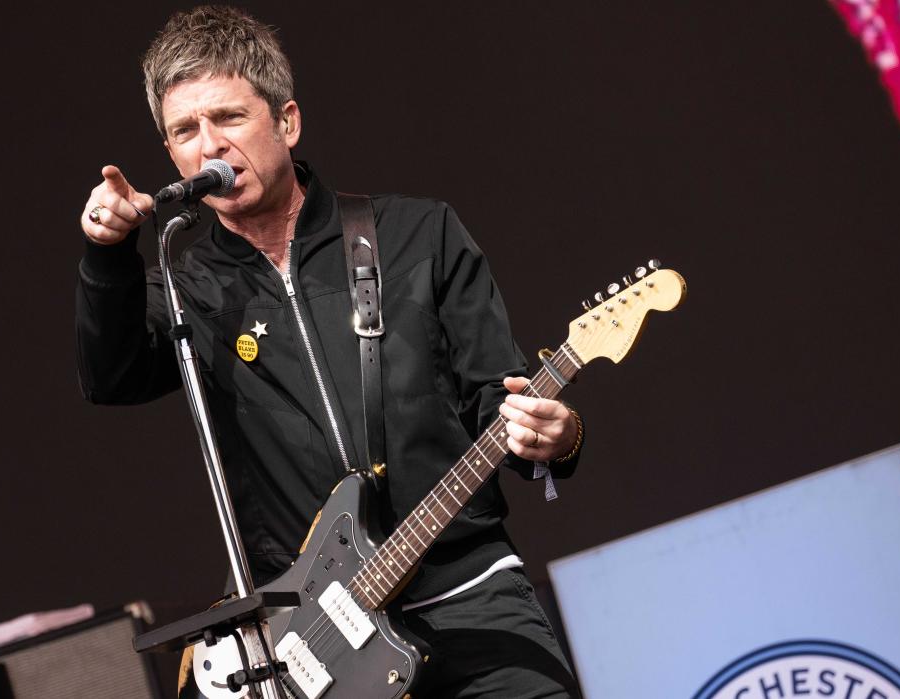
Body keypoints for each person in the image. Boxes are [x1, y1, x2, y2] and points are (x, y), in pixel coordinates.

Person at [75, 6, 584, 697]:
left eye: (228, 117)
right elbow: (112, 375)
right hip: (317, 642)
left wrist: (557, 434)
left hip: (465, 593)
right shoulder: (191, 290)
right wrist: (108, 259)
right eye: (184, 131)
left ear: (286, 122)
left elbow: (500, 392)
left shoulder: (416, 233)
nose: (209, 147)